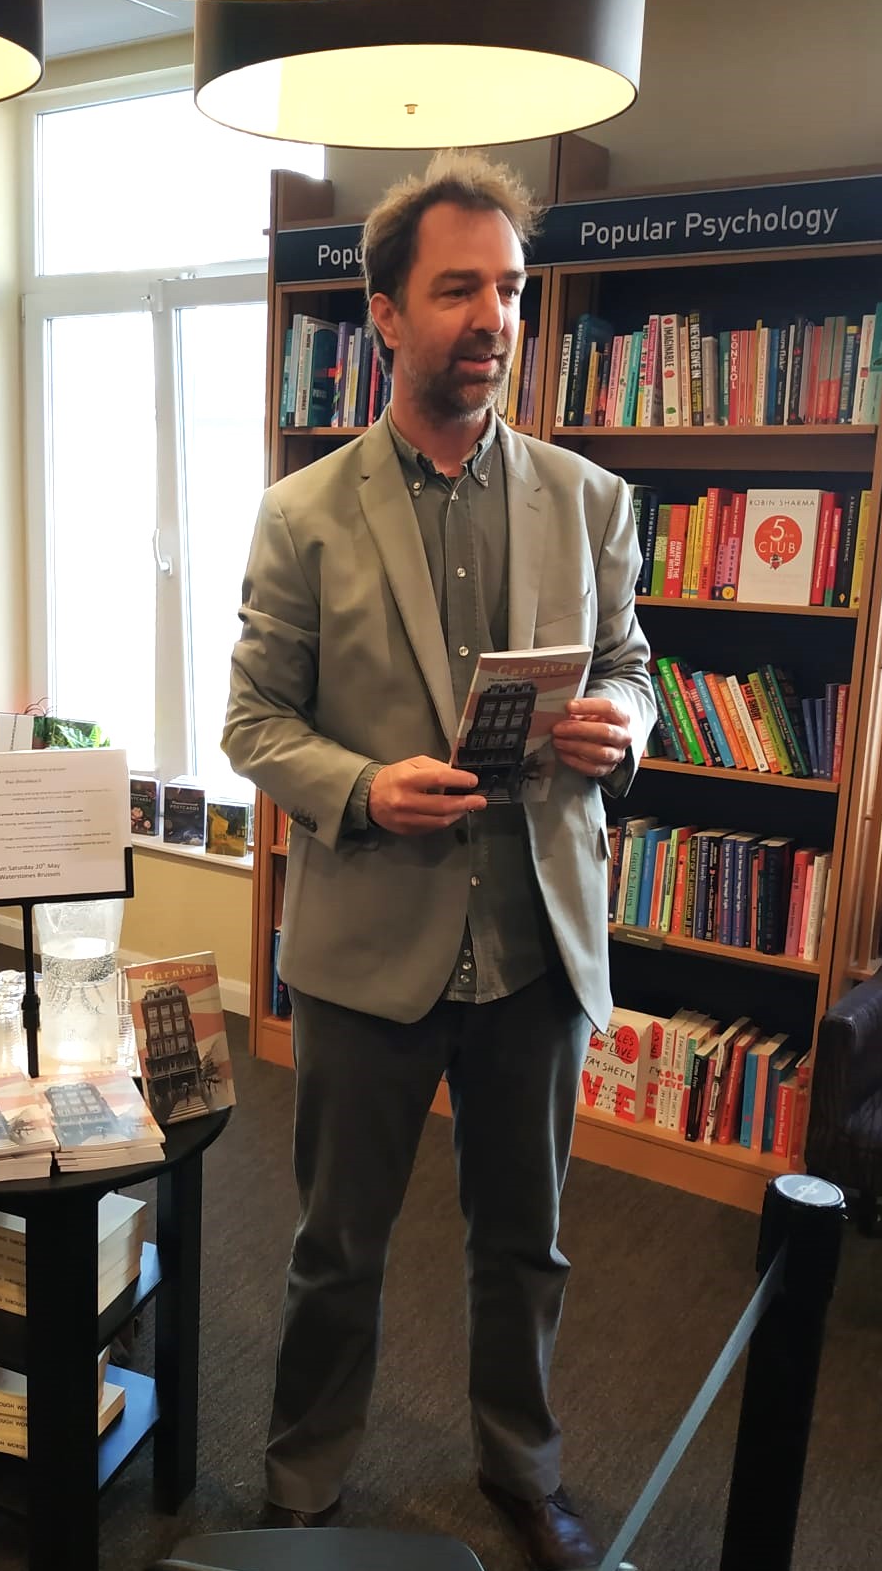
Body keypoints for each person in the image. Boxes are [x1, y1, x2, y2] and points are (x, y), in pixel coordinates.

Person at [223, 152, 656, 1571]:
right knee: (337, 1245)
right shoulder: (305, 513)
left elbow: (633, 665)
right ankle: (303, 1480)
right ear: (387, 314)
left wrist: (622, 725)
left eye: (511, 290)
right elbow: (253, 723)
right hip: (368, 947)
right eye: (459, 288)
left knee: (525, 1240)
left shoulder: (590, 500)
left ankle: (523, 1469)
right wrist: (361, 788)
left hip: (534, 940)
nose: (493, 317)